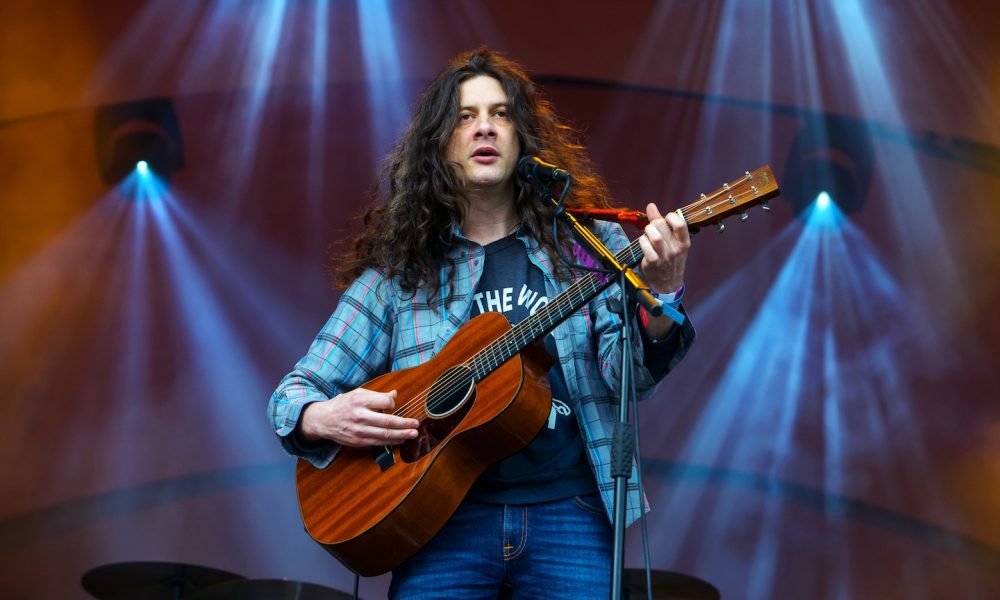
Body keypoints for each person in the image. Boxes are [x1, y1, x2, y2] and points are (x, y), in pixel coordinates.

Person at [268, 47, 695, 599]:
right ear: (440, 145)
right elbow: (290, 395)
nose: (484, 128)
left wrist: (662, 293)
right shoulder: (400, 275)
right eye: (465, 117)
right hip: (440, 521)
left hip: (570, 512)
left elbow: (628, 379)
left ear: (524, 139)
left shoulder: (592, 251)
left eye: (500, 114)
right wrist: (323, 416)